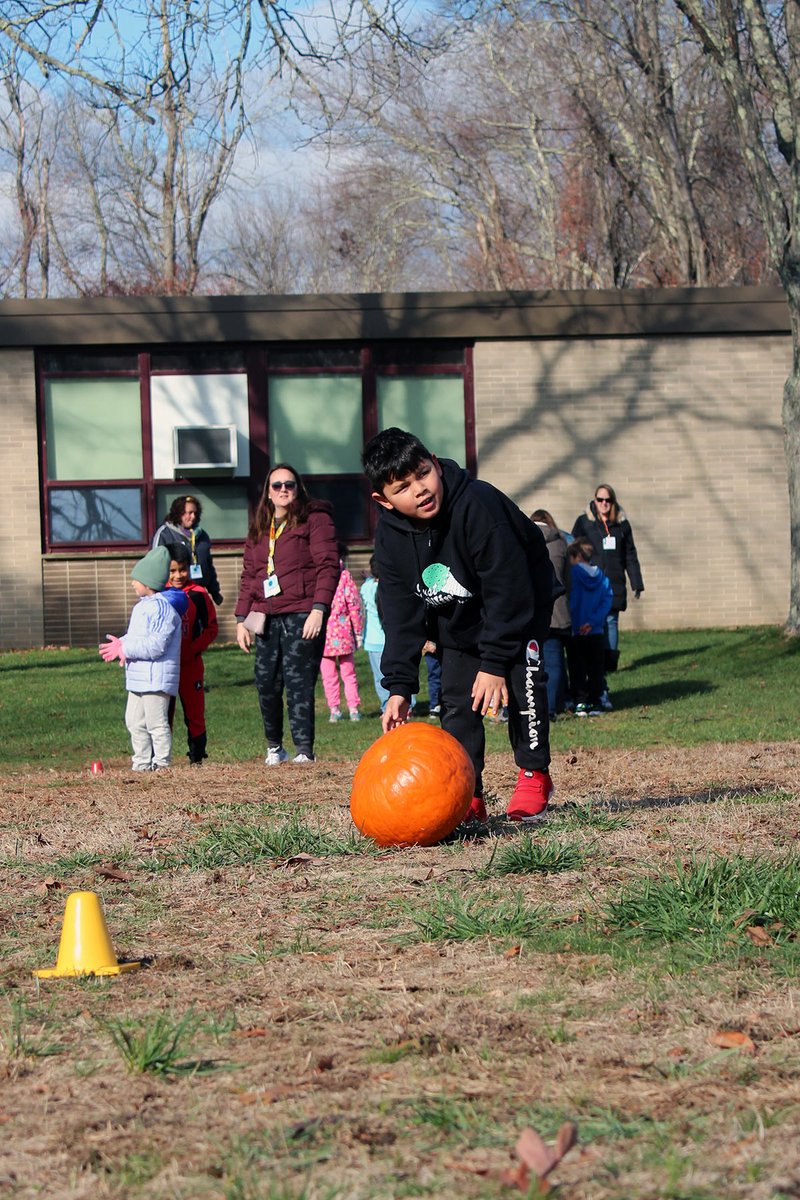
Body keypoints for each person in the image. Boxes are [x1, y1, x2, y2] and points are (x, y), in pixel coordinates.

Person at [362, 427, 555, 824]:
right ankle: (468, 792)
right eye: (403, 486)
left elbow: (508, 587)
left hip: (520, 607)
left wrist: (496, 663)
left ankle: (534, 774)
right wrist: (399, 687)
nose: (420, 489)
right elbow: (400, 613)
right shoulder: (391, 539)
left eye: (423, 473)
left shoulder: (478, 505)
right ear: (383, 499)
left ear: (434, 460)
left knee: (523, 686)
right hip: (458, 618)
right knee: (456, 703)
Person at [234, 463, 339, 765]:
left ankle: (303, 749)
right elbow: (250, 576)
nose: (283, 490)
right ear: (267, 492)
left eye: (289, 485)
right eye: (277, 485)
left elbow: (328, 565)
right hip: (267, 615)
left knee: (298, 681)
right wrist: (242, 619)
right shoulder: (259, 528)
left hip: (302, 613)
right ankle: (274, 747)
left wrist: (319, 610)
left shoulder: (314, 519)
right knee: (266, 681)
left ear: (298, 488)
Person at [98, 545, 186, 771]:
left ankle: (162, 763)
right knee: (134, 721)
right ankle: (141, 762)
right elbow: (137, 636)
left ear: (148, 582)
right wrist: (121, 643)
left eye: (136, 579)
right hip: (138, 678)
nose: (132, 583)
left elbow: (156, 645)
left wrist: (126, 649)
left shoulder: (163, 609)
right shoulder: (141, 607)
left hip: (155, 679)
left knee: (157, 723)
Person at [571, 483, 644, 708]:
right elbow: (573, 547)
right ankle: (595, 674)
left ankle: (608, 664)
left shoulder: (621, 525)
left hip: (612, 582)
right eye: (600, 500)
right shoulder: (584, 522)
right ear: (594, 501)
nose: (604, 504)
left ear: (612, 502)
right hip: (587, 584)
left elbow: (630, 554)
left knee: (610, 621)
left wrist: (636, 582)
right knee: (593, 631)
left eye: (608, 500)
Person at [166, 544, 219, 764]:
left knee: (195, 714)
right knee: (161, 715)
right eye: (172, 571)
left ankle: (197, 758)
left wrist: (194, 649)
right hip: (165, 666)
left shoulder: (199, 595)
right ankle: (160, 759)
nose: (178, 575)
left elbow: (211, 628)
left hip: (191, 665)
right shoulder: (159, 593)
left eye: (183, 569)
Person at [531, 509, 572, 719]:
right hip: (557, 611)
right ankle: (552, 708)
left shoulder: (523, 538)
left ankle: (533, 708)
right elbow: (567, 579)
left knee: (531, 664)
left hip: (530, 611)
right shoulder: (560, 541)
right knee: (555, 663)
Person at [565, 539, 613, 717]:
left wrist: (577, 623)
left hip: (577, 631)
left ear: (577, 556)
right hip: (595, 630)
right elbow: (606, 600)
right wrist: (592, 622)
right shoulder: (601, 576)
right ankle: (596, 699)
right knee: (595, 668)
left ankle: (580, 701)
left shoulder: (574, 574)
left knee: (577, 667)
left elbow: (574, 600)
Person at [153, 494, 223, 606]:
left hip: (198, 592)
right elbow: (155, 566)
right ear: (179, 513)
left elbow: (208, 566)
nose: (193, 516)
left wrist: (214, 591)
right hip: (174, 593)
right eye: (189, 513)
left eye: (195, 513)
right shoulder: (165, 533)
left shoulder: (202, 535)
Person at [321, 545, 364, 722]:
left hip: (323, 635)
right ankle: (353, 709)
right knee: (349, 673)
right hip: (344, 633)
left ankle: (334, 709)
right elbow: (354, 605)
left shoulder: (318, 575)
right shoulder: (344, 575)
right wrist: (358, 631)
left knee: (328, 675)